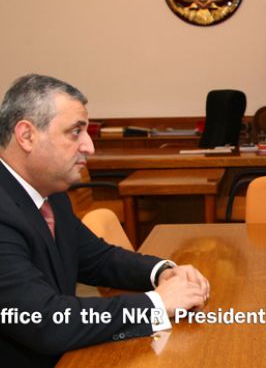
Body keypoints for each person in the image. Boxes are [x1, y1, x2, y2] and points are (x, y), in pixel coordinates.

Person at [0, 74, 210, 367]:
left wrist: (162, 271)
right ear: (26, 136)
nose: (89, 146)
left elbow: (96, 259)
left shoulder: (51, 193)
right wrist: (156, 304)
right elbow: (44, 321)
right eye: (75, 132)